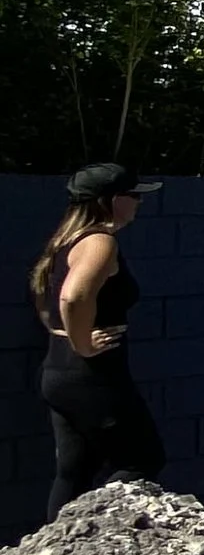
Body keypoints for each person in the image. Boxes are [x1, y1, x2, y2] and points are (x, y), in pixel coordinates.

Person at [31, 160, 166, 520]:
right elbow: (73, 297)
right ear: (110, 200)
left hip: (58, 371)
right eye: (133, 195)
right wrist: (84, 344)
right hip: (93, 375)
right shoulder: (99, 242)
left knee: (74, 471)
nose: (139, 202)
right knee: (143, 458)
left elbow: (44, 296)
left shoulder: (64, 240)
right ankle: (102, 542)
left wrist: (61, 333)